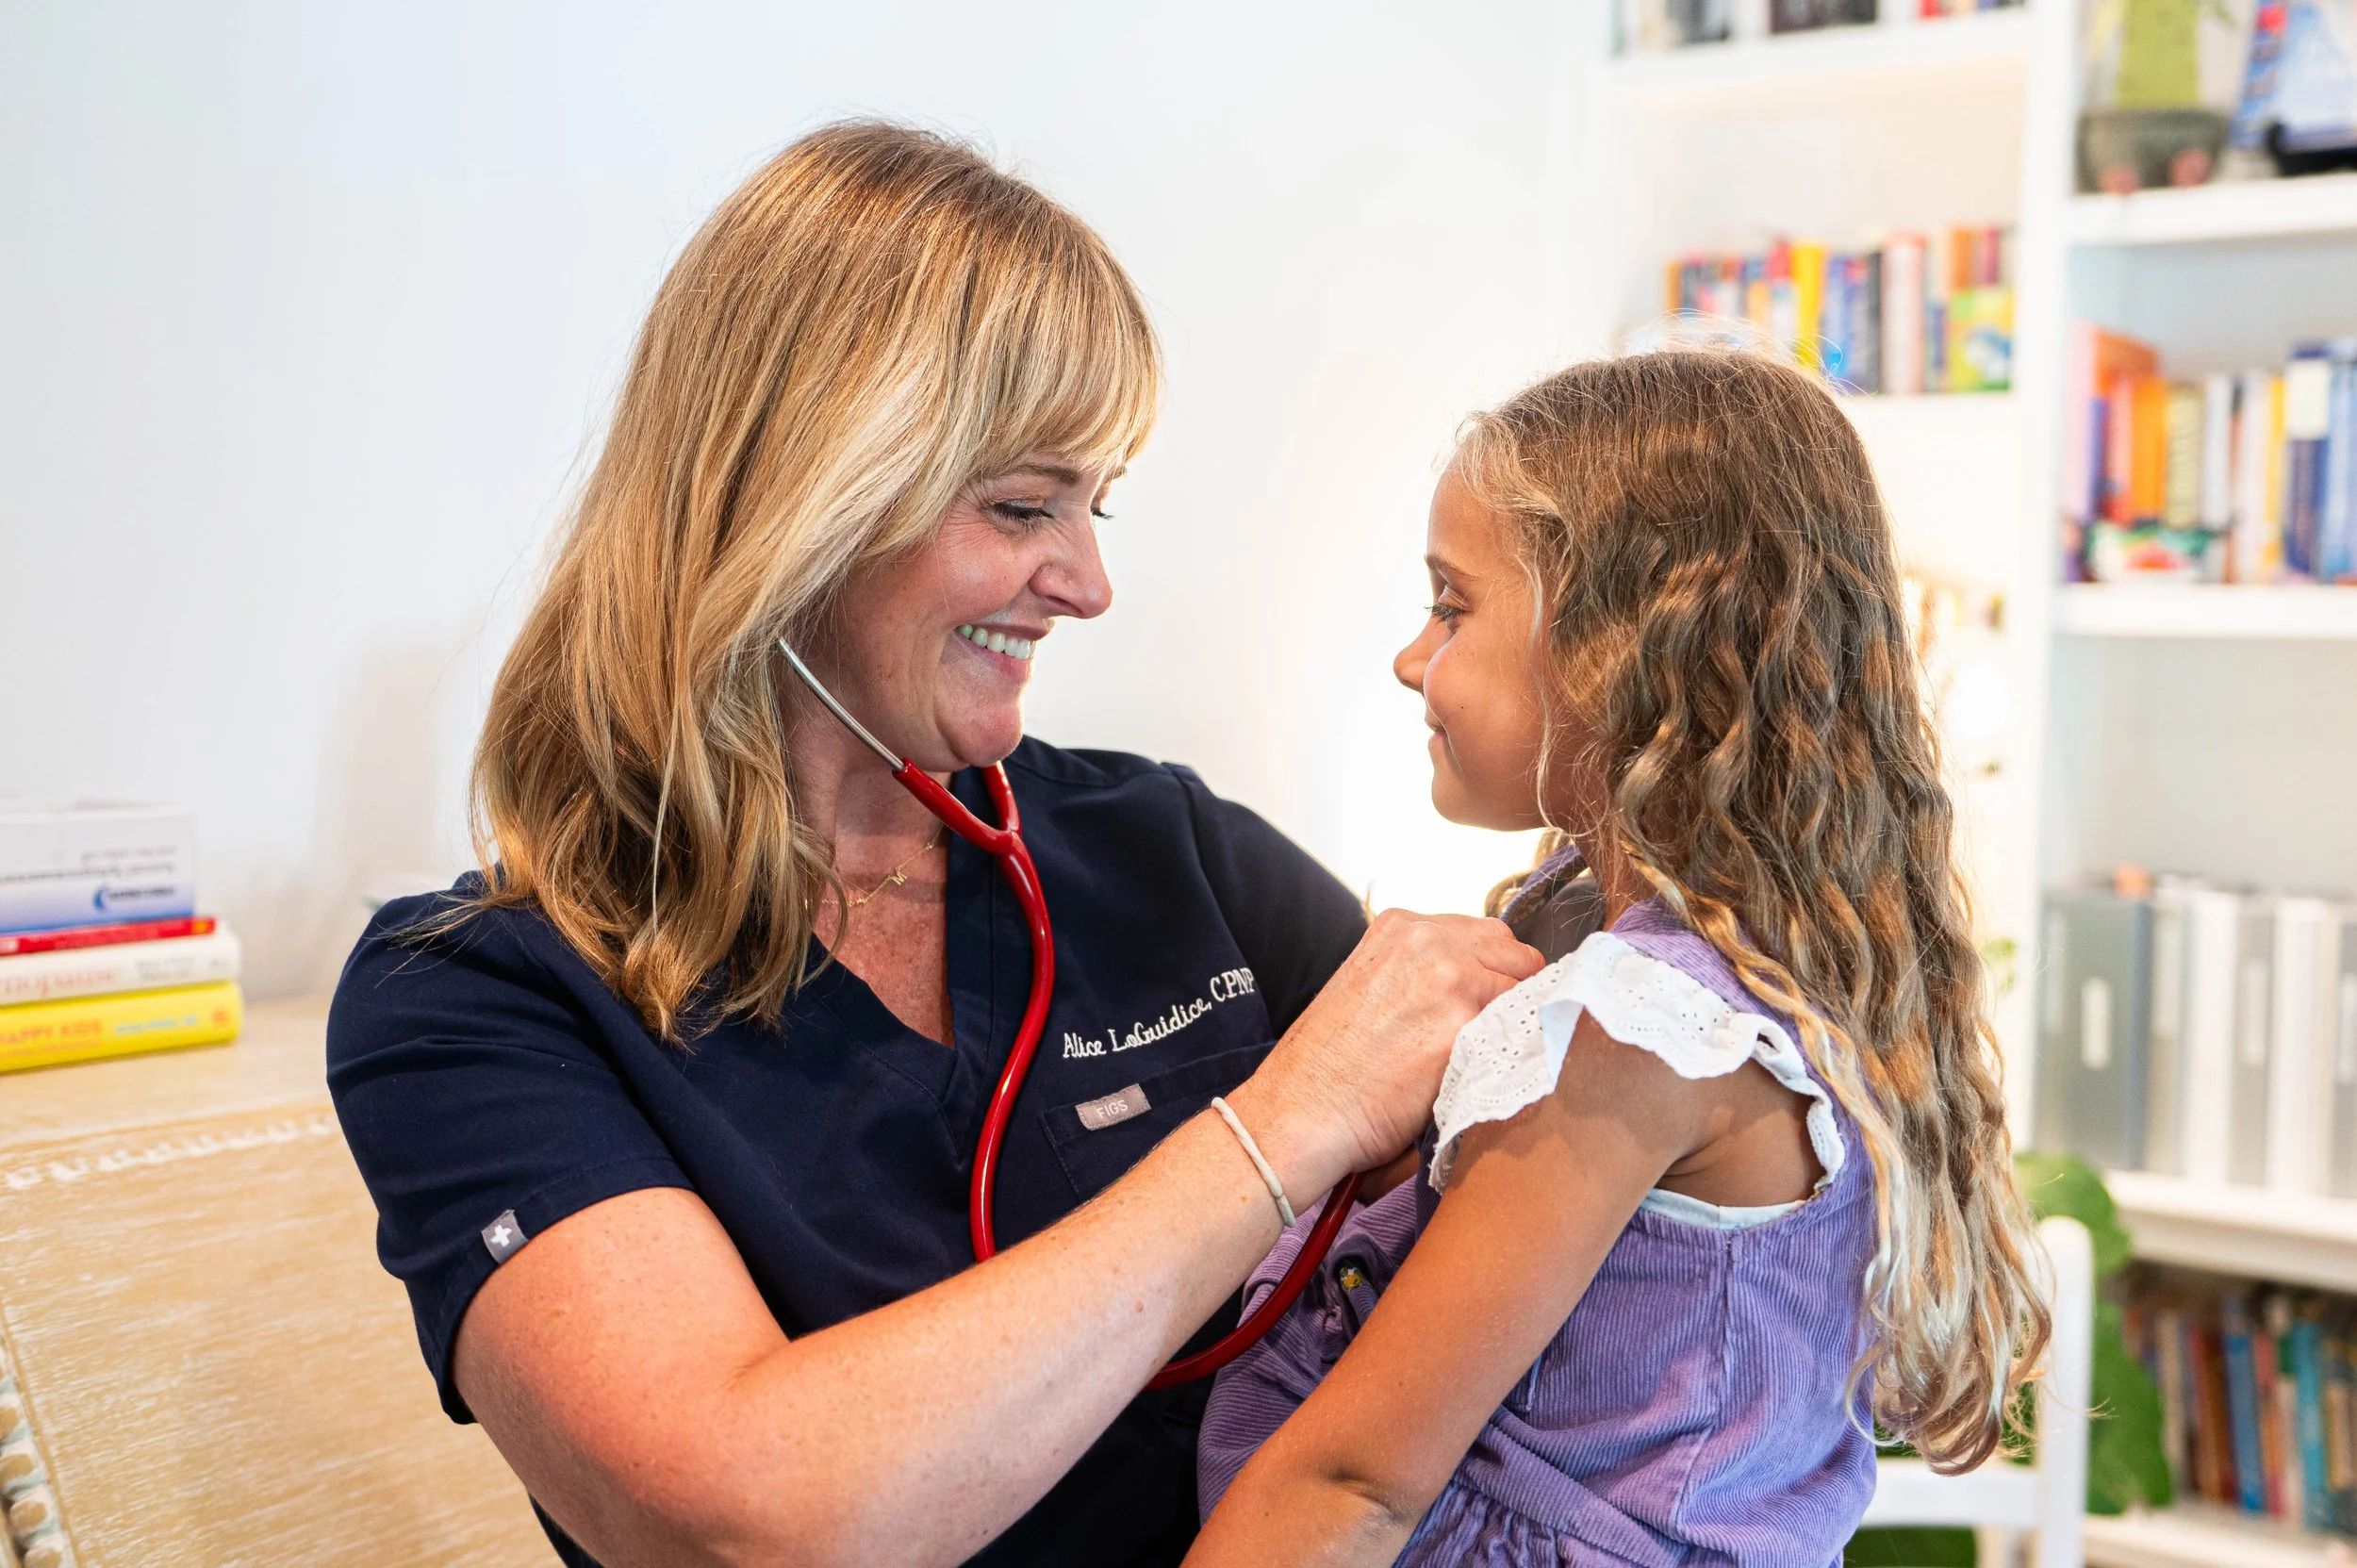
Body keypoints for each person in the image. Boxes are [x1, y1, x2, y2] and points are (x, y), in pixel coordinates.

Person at [324, 121, 1541, 1568]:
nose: (1088, 584)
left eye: (1098, 504)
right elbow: (746, 1518)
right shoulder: (476, 1003)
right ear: (797, 499)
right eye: (1025, 505)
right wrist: (1284, 1126)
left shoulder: (1165, 847)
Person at [1188, 350, 2054, 1567]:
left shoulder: (1635, 1028)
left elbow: (1352, 1483)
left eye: (1451, 606)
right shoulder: (1763, 964)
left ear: (1613, 652)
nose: (1410, 658)